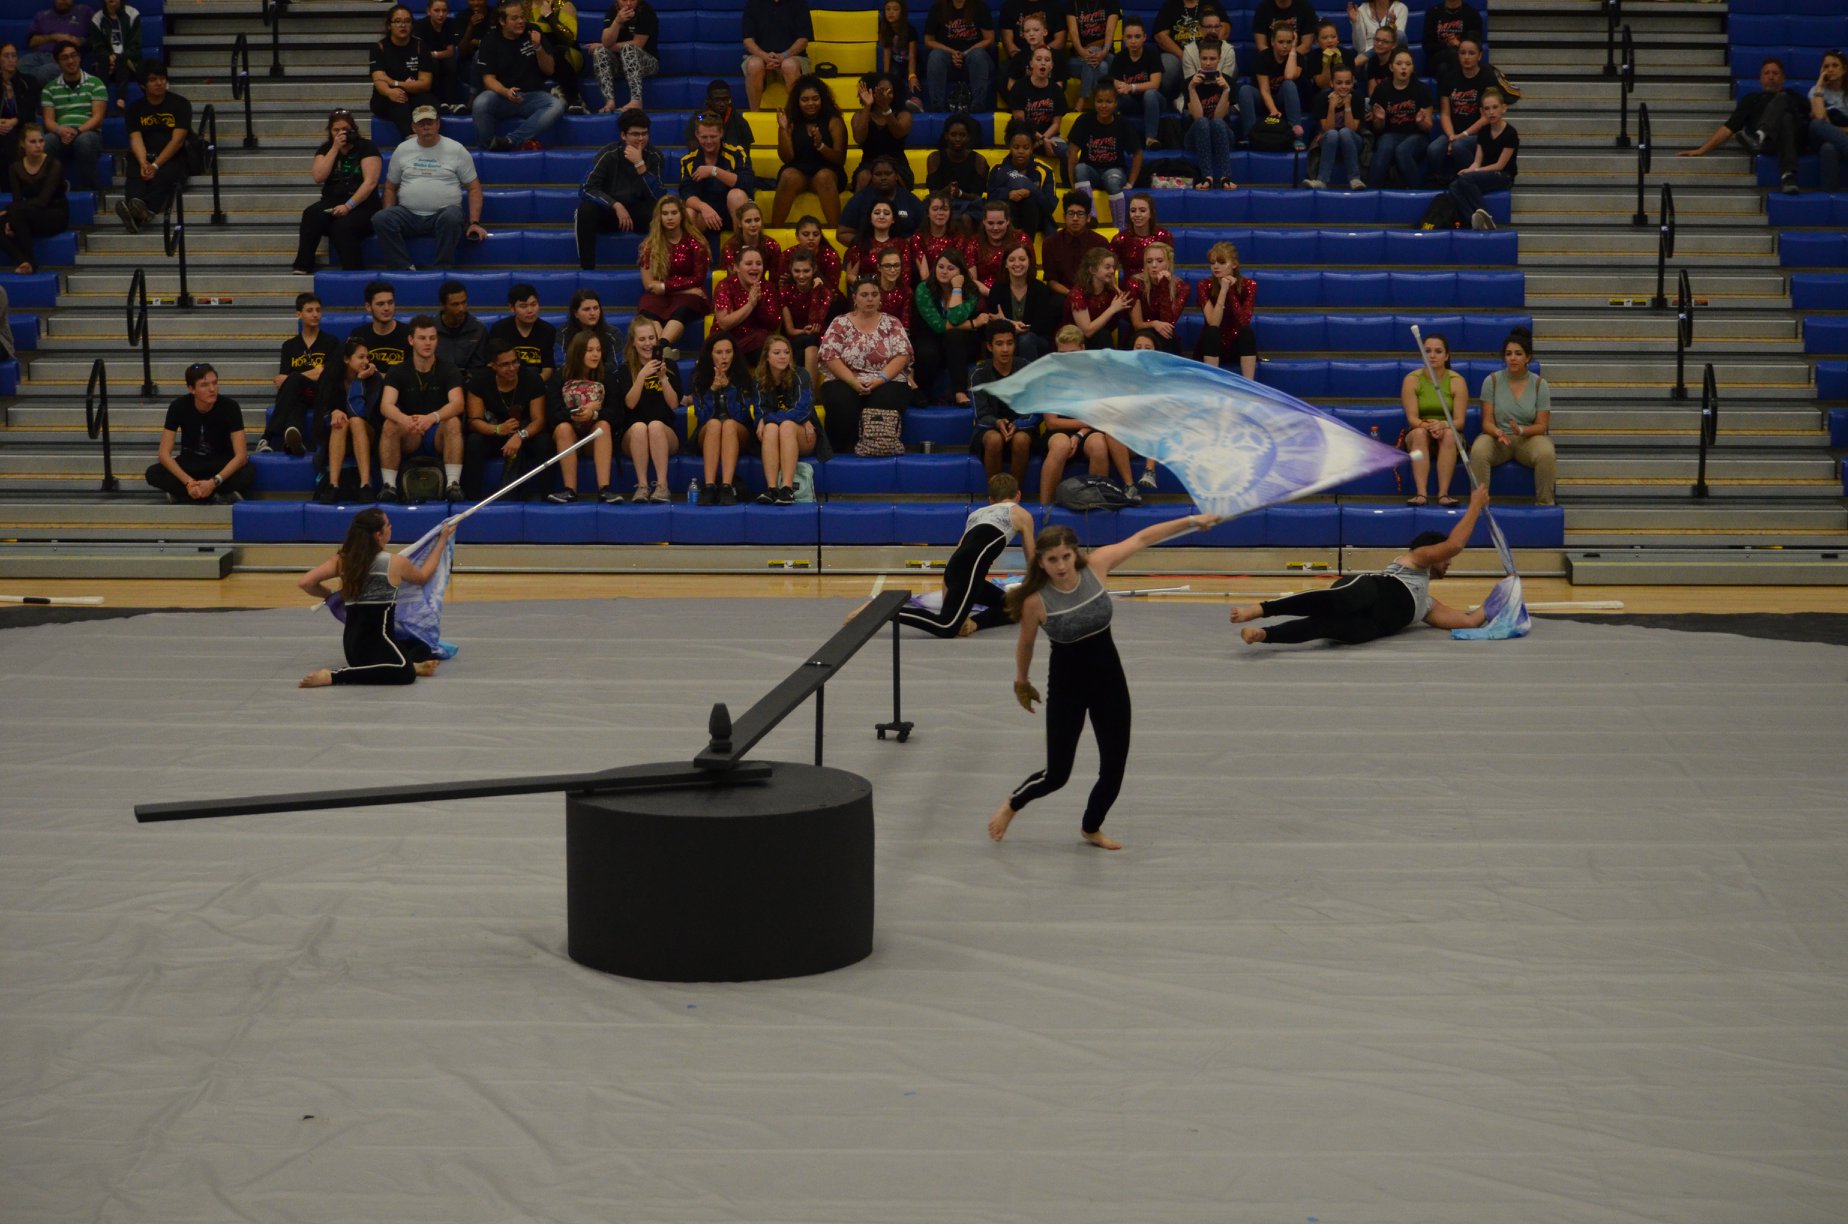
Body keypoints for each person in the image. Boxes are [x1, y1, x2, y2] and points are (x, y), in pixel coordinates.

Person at [990, 511, 1220, 850]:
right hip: (1067, 689)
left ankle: (1091, 827)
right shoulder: (1035, 601)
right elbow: (1026, 644)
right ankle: (1013, 804)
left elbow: (1142, 538)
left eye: (1066, 556)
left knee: (1113, 769)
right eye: (1052, 559)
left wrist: (1191, 522)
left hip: (1110, 684)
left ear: (1075, 553)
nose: (1061, 565)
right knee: (1057, 775)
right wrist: (1021, 681)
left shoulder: (1097, 566)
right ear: (1041, 562)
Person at [1230, 486, 1489, 645]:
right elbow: (1455, 544)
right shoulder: (1415, 560)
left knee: (1324, 626)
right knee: (1339, 601)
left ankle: (1264, 635)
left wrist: (1504, 596)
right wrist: (1476, 505)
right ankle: (1261, 609)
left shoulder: (1428, 606)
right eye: (1445, 557)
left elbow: (1469, 622)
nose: (1449, 562)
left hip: (1372, 626)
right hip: (1368, 590)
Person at [297, 509, 454, 688]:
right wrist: (442, 540)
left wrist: (331, 596)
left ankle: (400, 665)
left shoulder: (343, 560)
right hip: (379, 643)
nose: (391, 527)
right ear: (378, 535)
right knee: (405, 672)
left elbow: (306, 583)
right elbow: (424, 576)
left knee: (422, 648)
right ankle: (333, 676)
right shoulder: (395, 562)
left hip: (352, 647)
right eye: (388, 524)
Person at [373, 105, 487, 270]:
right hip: (408, 215)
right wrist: (388, 211)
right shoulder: (402, 149)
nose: (426, 127)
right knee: (381, 219)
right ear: (413, 127)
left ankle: (443, 268)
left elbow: (474, 188)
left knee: (453, 217)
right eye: (421, 124)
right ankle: (404, 268)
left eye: (430, 122)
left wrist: (474, 222)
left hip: (443, 215)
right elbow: (390, 187)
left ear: (438, 124)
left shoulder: (456, 149)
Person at [1678, 57, 1808, 196]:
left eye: (1775, 73)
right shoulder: (1751, 99)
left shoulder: (1792, 96)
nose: (1771, 77)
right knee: (1785, 117)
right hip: (1768, 144)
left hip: (1793, 141)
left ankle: (1758, 136)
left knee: (1784, 105)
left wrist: (1818, 91)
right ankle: (1788, 176)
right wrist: (1702, 150)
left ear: (1783, 78)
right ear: (1760, 78)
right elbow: (1729, 128)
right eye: (1766, 73)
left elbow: (1816, 114)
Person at [818, 275, 914, 453]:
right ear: (854, 298)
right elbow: (830, 356)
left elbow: (902, 356)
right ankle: (841, 451)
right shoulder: (840, 322)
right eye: (864, 295)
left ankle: (876, 448)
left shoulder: (892, 323)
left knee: (884, 400)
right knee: (841, 400)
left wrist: (879, 380)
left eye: (874, 294)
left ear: (880, 298)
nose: (870, 299)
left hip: (886, 379)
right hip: (846, 379)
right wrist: (853, 382)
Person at [377, 315, 467, 502]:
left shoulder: (449, 369)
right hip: (410, 430)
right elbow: (386, 405)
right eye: (422, 338)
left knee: (453, 421)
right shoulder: (397, 371)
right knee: (390, 424)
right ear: (411, 340)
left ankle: (453, 484)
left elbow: (458, 403)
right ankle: (389, 486)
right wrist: (404, 419)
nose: (428, 343)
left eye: (432, 338)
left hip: (437, 431)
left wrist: (432, 417)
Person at [145, 362, 254, 505]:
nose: (212, 389)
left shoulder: (230, 406)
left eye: (214, 383)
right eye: (204, 385)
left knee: (248, 472)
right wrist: (189, 482)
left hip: (220, 463)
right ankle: (215, 495)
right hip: (191, 463)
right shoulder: (178, 406)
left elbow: (241, 456)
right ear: (192, 389)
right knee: (153, 473)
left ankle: (186, 495)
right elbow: (164, 454)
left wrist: (214, 482)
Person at [1468, 327, 1553, 506]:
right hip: (1498, 438)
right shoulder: (1491, 381)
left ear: (1527, 357)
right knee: (1478, 450)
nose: (1513, 358)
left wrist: (1521, 430)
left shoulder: (1540, 384)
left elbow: (1542, 426)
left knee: (1546, 452)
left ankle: (1545, 504)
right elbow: (1487, 422)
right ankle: (1478, 506)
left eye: (1518, 353)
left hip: (1527, 439)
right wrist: (1497, 432)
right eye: (1508, 354)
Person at [293, 108, 383, 275]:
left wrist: (349, 205)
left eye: (345, 129)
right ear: (330, 131)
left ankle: (354, 271)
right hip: (332, 200)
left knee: (342, 227)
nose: (341, 133)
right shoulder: (326, 149)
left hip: (363, 205)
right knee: (311, 214)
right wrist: (334, 149)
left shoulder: (367, 147)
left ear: (353, 129)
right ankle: (303, 264)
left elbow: (370, 182)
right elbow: (318, 176)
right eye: (336, 130)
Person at [464, 334, 550, 498]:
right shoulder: (479, 381)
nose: (512, 368)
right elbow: (474, 421)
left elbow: (539, 420)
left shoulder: (532, 379)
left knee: (544, 441)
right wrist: (497, 429)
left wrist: (520, 436)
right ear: (492, 365)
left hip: (525, 433)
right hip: (495, 433)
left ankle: (547, 495)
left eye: (514, 362)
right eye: (505, 365)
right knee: (474, 441)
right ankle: (472, 497)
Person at [576, 108, 664, 267]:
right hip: (609, 210)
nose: (641, 139)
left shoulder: (654, 156)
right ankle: (587, 269)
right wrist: (615, 205)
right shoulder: (608, 153)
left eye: (644, 134)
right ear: (623, 135)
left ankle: (656, 269)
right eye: (635, 134)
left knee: (661, 212)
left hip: (638, 211)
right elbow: (587, 188)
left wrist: (640, 165)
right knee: (586, 210)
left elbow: (658, 196)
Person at [472, 1, 563, 151]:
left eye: (522, 17)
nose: (521, 21)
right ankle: (487, 147)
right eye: (514, 18)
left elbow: (549, 70)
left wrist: (538, 47)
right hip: (502, 96)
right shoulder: (490, 40)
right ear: (502, 21)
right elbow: (488, 79)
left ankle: (510, 141)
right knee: (481, 102)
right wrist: (505, 92)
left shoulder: (533, 31)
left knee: (556, 105)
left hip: (532, 95)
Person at [612, 315, 683, 501]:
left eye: (651, 338)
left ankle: (662, 486)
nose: (648, 343)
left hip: (664, 432)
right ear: (633, 343)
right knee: (639, 428)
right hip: (633, 435)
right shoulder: (625, 369)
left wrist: (663, 378)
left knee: (655, 426)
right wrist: (642, 375)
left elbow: (674, 404)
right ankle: (642, 486)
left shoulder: (670, 366)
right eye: (642, 339)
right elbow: (630, 404)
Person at [263, 290, 342, 455]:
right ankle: (292, 440)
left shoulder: (331, 342)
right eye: (310, 310)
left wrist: (295, 377)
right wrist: (310, 373)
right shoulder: (289, 346)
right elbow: (282, 382)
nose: (315, 314)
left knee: (294, 380)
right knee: (296, 403)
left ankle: (267, 436)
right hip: (299, 395)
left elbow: (326, 374)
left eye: (318, 310)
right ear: (299, 314)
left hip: (322, 393)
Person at [544, 330, 619, 502]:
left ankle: (604, 489)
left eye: (598, 350)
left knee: (603, 426)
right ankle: (570, 490)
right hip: (569, 438)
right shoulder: (560, 377)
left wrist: (594, 414)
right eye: (589, 350)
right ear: (578, 352)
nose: (595, 355)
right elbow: (553, 416)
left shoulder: (606, 376)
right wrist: (577, 412)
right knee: (563, 428)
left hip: (593, 439)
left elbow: (616, 414)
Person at [1399, 329, 1468, 507]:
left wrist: (1443, 425)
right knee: (1419, 434)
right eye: (1427, 351)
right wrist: (1428, 426)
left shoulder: (1457, 381)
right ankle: (1421, 494)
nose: (1432, 355)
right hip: (1420, 430)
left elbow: (1460, 422)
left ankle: (1443, 494)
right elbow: (1412, 418)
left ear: (1446, 356)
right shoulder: (1412, 380)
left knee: (1450, 435)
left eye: (1438, 351)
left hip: (1448, 430)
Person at [635, 195, 710, 354]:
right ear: (659, 217)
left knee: (682, 309)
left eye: (674, 213)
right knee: (648, 307)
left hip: (688, 297)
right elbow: (649, 285)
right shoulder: (650, 245)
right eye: (665, 213)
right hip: (664, 294)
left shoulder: (697, 243)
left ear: (682, 215)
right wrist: (683, 289)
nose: (669, 217)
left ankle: (661, 347)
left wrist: (665, 287)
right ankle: (662, 352)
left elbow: (698, 279)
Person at [311, 338, 383, 501]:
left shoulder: (374, 379)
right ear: (346, 359)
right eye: (361, 357)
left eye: (367, 357)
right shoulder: (330, 376)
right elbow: (321, 411)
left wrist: (359, 380)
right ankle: (333, 485)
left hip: (368, 433)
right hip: (338, 434)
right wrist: (333, 413)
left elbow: (359, 412)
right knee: (340, 422)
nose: (366, 361)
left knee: (355, 421)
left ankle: (365, 485)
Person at [771, 74, 847, 226]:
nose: (811, 103)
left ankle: (836, 233)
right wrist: (783, 130)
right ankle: (773, 233)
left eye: (815, 99)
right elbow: (787, 158)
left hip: (829, 170)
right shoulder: (790, 121)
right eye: (805, 100)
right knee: (787, 176)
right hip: (799, 170)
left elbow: (840, 159)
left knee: (824, 177)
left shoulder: (834, 121)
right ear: (797, 102)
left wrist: (821, 146)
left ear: (822, 99)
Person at [969, 323, 1038, 486]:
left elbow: (1034, 410)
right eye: (999, 344)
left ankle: (1014, 493)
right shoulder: (978, 373)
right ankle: (996, 494)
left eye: (1010, 343)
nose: (1005, 349)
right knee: (994, 440)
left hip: (1022, 427)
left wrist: (1018, 424)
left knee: (1021, 440)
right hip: (989, 429)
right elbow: (981, 415)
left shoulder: (1027, 369)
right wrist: (997, 422)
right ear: (990, 347)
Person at [687, 333, 753, 504]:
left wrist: (729, 388)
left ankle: (726, 487)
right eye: (719, 352)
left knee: (729, 424)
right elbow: (702, 416)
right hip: (708, 432)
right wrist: (712, 391)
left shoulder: (743, 377)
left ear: (734, 354)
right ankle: (709, 487)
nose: (724, 357)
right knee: (714, 424)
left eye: (728, 352)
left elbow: (742, 415)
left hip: (738, 432)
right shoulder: (699, 378)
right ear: (710, 355)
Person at [752, 333, 817, 503]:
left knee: (785, 425)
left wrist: (768, 418)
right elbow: (759, 411)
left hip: (804, 435)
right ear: (766, 357)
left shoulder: (801, 374)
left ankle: (787, 489)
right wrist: (765, 420)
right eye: (777, 353)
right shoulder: (759, 379)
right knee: (771, 428)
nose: (783, 356)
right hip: (774, 437)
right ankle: (772, 489)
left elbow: (802, 411)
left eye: (786, 352)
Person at [912, 247, 980, 406]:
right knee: (927, 352)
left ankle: (960, 392)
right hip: (931, 336)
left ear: (961, 272)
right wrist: (973, 323)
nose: (944, 272)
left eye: (950, 268)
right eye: (940, 266)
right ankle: (922, 394)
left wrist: (957, 289)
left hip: (961, 342)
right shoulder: (924, 289)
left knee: (954, 336)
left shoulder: (971, 291)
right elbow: (938, 326)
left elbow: (955, 318)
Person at [1065, 83, 1140, 224]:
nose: (1103, 106)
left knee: (1112, 180)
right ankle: (1091, 217)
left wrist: (1131, 182)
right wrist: (1072, 183)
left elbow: (1138, 153)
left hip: (1114, 170)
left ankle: (1120, 226)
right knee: (1080, 169)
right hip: (1090, 171)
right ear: (1094, 102)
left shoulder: (1122, 124)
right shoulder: (1084, 120)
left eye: (1108, 102)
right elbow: (1072, 151)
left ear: (1115, 103)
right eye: (1099, 101)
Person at [1445, 88, 1515, 230]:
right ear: (1482, 112)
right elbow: (1477, 161)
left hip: (1503, 175)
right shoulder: (1483, 132)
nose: (1491, 112)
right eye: (1487, 109)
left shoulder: (1510, 133)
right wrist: (1469, 170)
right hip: (1486, 173)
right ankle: (1472, 220)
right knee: (1454, 185)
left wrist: (1473, 172)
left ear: (1503, 108)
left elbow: (1500, 165)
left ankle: (1487, 217)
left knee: (1466, 179)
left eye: (1495, 107)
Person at [0, 123, 65, 274]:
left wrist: (10, 212)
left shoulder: (54, 165)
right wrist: (10, 217)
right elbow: (17, 200)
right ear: (23, 144)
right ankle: (23, 261)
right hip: (28, 213)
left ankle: (30, 261)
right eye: (33, 141)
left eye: (41, 141)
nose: (38, 145)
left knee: (16, 213)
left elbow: (43, 201)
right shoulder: (15, 168)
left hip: (54, 213)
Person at [38, 42, 101, 192]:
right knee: (46, 142)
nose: (71, 61)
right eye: (65, 57)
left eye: (74, 56)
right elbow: (48, 121)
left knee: (83, 141)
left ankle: (91, 190)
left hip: (88, 133)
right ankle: (51, 189)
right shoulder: (49, 88)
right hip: (61, 134)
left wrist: (78, 131)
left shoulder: (95, 83)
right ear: (58, 62)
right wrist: (60, 130)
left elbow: (98, 118)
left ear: (80, 58)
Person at [678, 112, 754, 237]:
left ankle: (741, 244)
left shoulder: (737, 153)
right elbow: (686, 195)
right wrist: (703, 207)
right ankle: (693, 249)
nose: (709, 141)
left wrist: (714, 171)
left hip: (732, 212)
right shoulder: (688, 160)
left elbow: (747, 183)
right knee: (689, 212)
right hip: (706, 215)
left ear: (721, 133)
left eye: (713, 136)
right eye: (704, 137)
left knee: (736, 195)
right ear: (697, 135)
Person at [1427, 36, 1491, 182]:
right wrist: (1451, 137)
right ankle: (1440, 181)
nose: (1466, 57)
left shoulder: (1487, 76)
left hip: (1479, 133)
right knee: (1433, 150)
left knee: (1458, 146)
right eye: (1462, 53)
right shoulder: (1448, 77)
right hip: (1453, 132)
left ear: (1480, 56)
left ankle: (1471, 179)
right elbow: (1445, 114)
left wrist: (1462, 135)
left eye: (1471, 53)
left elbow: (1487, 117)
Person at [1366, 46, 1431, 188]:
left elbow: (1428, 127)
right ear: (1391, 67)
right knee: (1384, 149)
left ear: (1412, 68)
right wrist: (1380, 119)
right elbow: (1377, 129)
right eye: (1399, 64)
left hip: (1416, 135)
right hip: (1390, 134)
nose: (1404, 68)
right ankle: (1371, 192)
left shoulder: (1422, 89)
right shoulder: (1381, 90)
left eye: (1408, 64)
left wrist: (1420, 122)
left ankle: (1418, 192)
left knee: (1402, 150)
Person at [369, 5, 432, 141]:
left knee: (430, 104)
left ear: (412, 25)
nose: (403, 25)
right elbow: (379, 80)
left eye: (407, 21)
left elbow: (425, 84)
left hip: (413, 93)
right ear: (389, 26)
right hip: (385, 97)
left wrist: (394, 83)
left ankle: (432, 141)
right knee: (399, 102)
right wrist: (389, 91)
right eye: (397, 21)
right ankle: (411, 139)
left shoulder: (421, 46)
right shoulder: (379, 47)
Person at [1194, 239, 1255, 378]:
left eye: (1221, 262)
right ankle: (1212, 383)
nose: (1215, 266)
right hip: (1212, 344)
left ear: (1234, 264)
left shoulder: (1249, 285)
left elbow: (1243, 320)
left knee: (1247, 331)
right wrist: (1223, 291)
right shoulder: (1204, 285)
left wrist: (1231, 291)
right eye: (1212, 263)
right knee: (1212, 332)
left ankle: (1249, 384)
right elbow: (1213, 322)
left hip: (1237, 344)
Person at [1241, 22, 1307, 150]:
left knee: (1289, 84)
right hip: (1265, 99)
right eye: (1281, 42)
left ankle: (1297, 137)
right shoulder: (1263, 57)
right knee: (1245, 90)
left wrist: (1293, 49)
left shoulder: (1297, 58)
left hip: (1285, 100)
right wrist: (1273, 110)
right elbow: (1264, 90)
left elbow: (1289, 75)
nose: (1285, 46)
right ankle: (1249, 136)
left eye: (1289, 42)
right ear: (1272, 42)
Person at [984, 239, 1053, 361]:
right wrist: (1012, 325)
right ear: (1005, 264)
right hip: (1006, 339)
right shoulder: (997, 289)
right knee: (1004, 341)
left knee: (1025, 339)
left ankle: (1029, 374)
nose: (1017, 264)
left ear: (1029, 262)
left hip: (1035, 340)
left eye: (1022, 259)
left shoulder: (1040, 289)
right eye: (1011, 260)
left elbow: (1040, 326)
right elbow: (993, 322)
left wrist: (1009, 323)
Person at [923, 0, 996, 115]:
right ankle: (937, 107)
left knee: (978, 54)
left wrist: (965, 53)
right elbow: (928, 41)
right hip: (948, 60)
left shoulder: (980, 7)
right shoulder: (938, 8)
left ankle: (978, 105)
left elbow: (989, 39)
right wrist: (952, 52)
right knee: (935, 56)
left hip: (975, 60)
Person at [1184, 38, 1237, 191]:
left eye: (1212, 59)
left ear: (1219, 59)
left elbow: (1219, 117)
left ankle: (1226, 177)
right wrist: (1192, 89)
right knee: (1202, 122)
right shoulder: (1189, 82)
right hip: (1196, 135)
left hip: (1221, 133)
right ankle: (1206, 177)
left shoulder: (1228, 81)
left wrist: (1226, 90)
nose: (1208, 63)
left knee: (1216, 122)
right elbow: (1198, 116)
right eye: (1204, 58)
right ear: (1199, 59)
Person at [741, 0, 813, 110]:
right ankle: (754, 114)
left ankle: (796, 115)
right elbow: (747, 40)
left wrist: (784, 56)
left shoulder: (799, 3)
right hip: (761, 57)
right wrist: (765, 56)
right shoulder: (753, 3)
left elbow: (803, 40)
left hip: (793, 57)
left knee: (789, 65)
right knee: (754, 65)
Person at [986, 123, 1057, 236]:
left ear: (1032, 148)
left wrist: (1030, 192)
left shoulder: (1045, 170)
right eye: (1016, 147)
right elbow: (990, 199)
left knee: (1029, 203)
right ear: (1010, 147)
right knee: (1009, 204)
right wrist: (1008, 194)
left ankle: (1026, 243)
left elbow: (1050, 205)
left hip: (1036, 218)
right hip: (1004, 218)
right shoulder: (997, 169)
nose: (1020, 151)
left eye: (1026, 147)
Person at [712, 246, 779, 363]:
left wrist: (759, 304)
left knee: (767, 343)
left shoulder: (768, 287)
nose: (754, 268)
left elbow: (773, 325)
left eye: (758, 264)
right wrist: (750, 304)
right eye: (748, 264)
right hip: (726, 342)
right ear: (736, 267)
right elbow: (724, 324)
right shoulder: (725, 286)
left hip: (756, 343)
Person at [838, 154, 921, 247]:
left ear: (897, 176)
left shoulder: (911, 200)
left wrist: (901, 246)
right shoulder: (859, 199)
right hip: (867, 252)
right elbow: (842, 233)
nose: (883, 178)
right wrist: (868, 246)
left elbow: (924, 233)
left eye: (888, 173)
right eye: (878, 174)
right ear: (872, 177)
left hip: (903, 252)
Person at [589, 0, 657, 112]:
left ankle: (636, 101)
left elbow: (638, 44)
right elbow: (606, 41)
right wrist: (617, 22)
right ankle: (609, 102)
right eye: (624, 0)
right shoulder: (613, 10)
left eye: (632, 0)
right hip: (619, 63)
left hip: (647, 62)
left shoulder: (645, 11)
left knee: (628, 49)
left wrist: (604, 45)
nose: (628, 3)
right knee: (599, 52)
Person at [1304, 62, 1364, 189]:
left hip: (1352, 140)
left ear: (1353, 82)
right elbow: (1327, 129)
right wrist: (1331, 106)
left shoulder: (1357, 98)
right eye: (1339, 83)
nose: (1343, 86)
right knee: (1333, 134)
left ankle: (1355, 179)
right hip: (1328, 140)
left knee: (1345, 132)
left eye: (1348, 83)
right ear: (1332, 83)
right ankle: (1321, 181)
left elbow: (1352, 129)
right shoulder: (1322, 98)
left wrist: (1347, 105)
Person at [778, 246, 835, 379]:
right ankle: (807, 390)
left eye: (806, 271)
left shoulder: (823, 292)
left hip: (819, 337)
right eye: (797, 271)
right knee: (808, 340)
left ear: (814, 269)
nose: (801, 276)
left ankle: (805, 390)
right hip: (795, 337)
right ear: (791, 269)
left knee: (805, 348)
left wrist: (816, 291)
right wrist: (804, 331)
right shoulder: (785, 293)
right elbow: (790, 330)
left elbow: (816, 322)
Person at [924, 113, 989, 228]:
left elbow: (976, 197)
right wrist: (946, 191)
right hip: (941, 202)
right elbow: (933, 193)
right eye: (953, 135)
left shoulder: (979, 160)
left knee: (965, 218)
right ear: (946, 136)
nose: (957, 139)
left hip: (970, 205)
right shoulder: (935, 158)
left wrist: (959, 194)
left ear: (969, 137)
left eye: (962, 135)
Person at [851, 72, 913, 191]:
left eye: (889, 91)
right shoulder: (860, 115)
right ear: (871, 92)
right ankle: (861, 204)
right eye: (880, 90)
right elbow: (859, 138)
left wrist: (886, 108)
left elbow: (898, 133)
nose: (884, 94)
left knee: (893, 177)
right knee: (864, 177)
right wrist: (867, 106)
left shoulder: (903, 115)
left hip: (897, 163)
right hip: (869, 163)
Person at [1110, 18, 1166, 149]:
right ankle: (1112, 137)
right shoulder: (1119, 57)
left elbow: (1155, 84)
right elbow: (1114, 80)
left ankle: (1151, 139)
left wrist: (1131, 87)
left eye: (1137, 36)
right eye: (1129, 37)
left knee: (1150, 94)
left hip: (1155, 101)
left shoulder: (1152, 54)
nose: (1133, 41)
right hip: (1132, 102)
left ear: (1144, 37)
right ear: (1123, 39)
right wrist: (1120, 85)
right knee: (1114, 97)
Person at [1007, 45, 1066, 168]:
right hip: (1023, 134)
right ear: (1031, 64)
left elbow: (1056, 124)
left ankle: (1067, 181)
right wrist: (1041, 140)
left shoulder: (1057, 90)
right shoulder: (1019, 87)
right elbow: (1021, 122)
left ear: (1051, 66)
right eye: (1038, 59)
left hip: (1049, 136)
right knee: (1023, 147)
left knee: (1066, 150)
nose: (1043, 63)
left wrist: (1044, 139)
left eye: (1047, 60)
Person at [522, 0, 584, 113]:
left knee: (558, 52)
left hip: (567, 55)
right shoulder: (523, 6)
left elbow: (569, 39)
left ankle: (574, 100)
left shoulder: (563, 5)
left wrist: (549, 16)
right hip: (538, 55)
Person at [1041, 191, 1105, 299]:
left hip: (1093, 294)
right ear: (1064, 217)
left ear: (1088, 217)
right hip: (1063, 295)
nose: (1075, 218)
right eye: (1071, 213)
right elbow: (1051, 281)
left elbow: (1104, 277)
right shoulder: (1050, 243)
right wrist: (1070, 294)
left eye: (1080, 214)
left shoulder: (1100, 242)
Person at [487, 281, 558, 378]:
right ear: (512, 308)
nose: (530, 311)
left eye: (533, 304)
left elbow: (548, 368)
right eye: (523, 306)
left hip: (537, 381)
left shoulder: (548, 330)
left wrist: (535, 384)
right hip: (506, 379)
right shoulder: (499, 329)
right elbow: (492, 364)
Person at [1129, 241, 1187, 358]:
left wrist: (1164, 286)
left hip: (1165, 334)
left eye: (1159, 261)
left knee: (1166, 334)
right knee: (1145, 339)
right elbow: (1137, 324)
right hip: (1142, 332)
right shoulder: (1135, 283)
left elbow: (1168, 321)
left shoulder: (1181, 286)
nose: (1154, 265)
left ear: (1169, 263)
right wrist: (1154, 324)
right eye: (1149, 261)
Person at [1065, 246, 1131, 349]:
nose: (1112, 271)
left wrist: (1117, 289)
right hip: (1075, 341)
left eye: (1113, 267)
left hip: (1101, 337)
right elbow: (1087, 332)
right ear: (1092, 270)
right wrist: (1112, 309)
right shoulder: (1077, 294)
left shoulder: (1110, 291)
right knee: (1102, 335)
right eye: (1107, 267)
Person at [965, 198, 1028, 300]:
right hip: (983, 295)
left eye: (1000, 223)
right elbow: (971, 280)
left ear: (1007, 221)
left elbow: (1029, 273)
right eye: (990, 223)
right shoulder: (974, 242)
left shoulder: (1021, 239)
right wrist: (991, 294)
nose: (995, 228)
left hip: (1015, 294)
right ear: (984, 221)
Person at [19, 0, 91, 88]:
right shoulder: (42, 16)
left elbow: (97, 38)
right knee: (20, 66)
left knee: (45, 73)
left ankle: (27, 85)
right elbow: (31, 42)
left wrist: (80, 41)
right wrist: (54, 37)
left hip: (64, 58)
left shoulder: (84, 12)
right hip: (40, 55)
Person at [557, 286, 622, 380]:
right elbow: (560, 364)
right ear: (575, 313)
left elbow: (615, 366)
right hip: (571, 380)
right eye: (587, 309)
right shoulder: (563, 333)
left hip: (603, 380)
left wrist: (591, 374)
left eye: (596, 308)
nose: (593, 313)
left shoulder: (613, 334)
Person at [86, 0, 139, 112]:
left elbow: (135, 46)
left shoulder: (133, 14)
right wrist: (109, 57)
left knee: (121, 59)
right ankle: (100, 104)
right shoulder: (97, 18)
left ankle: (121, 100)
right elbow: (98, 47)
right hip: (106, 63)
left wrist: (118, 57)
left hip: (128, 62)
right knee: (103, 60)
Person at [413, 0, 463, 114]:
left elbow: (450, 52)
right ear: (428, 11)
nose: (441, 14)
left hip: (444, 59)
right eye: (437, 10)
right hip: (426, 61)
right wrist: (436, 54)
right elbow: (421, 53)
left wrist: (434, 54)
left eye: (444, 11)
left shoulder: (450, 24)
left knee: (451, 63)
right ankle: (437, 101)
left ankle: (451, 102)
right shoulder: (420, 25)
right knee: (433, 64)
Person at [349, 279, 411, 371]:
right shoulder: (358, 335)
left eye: (390, 303)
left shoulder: (409, 334)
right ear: (368, 307)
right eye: (380, 304)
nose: (387, 308)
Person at [0, 44, 44, 170]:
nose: (10, 59)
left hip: (22, 125)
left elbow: (29, 110)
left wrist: (13, 121)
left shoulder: (29, 81)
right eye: (6, 56)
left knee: (11, 137)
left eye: (13, 56)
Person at [1065, 0, 1118, 101]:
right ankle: (1100, 103)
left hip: (1106, 55)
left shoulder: (1111, 2)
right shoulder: (1072, 3)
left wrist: (1104, 51)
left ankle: (1083, 98)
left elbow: (1110, 30)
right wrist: (1082, 52)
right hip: (1078, 58)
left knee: (1104, 62)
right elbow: (1073, 31)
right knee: (1102, 67)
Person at [777, 213, 842, 292]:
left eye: (815, 234)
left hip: (825, 297)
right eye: (806, 234)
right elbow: (783, 286)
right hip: (793, 296)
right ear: (797, 236)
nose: (811, 238)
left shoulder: (831, 257)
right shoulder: (787, 255)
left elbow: (832, 290)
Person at [683, 78, 754, 152]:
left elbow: (746, 154)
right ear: (709, 100)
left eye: (725, 99)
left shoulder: (740, 122)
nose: (722, 104)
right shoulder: (697, 119)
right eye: (717, 100)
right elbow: (693, 150)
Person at [1812, 50, 1848, 193]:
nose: (1830, 69)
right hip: (1820, 137)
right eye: (1826, 66)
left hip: (1835, 141)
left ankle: (1829, 196)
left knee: (1829, 148)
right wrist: (1819, 85)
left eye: (1835, 65)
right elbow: (1820, 118)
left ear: (1844, 69)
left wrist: (1835, 131)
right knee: (1815, 124)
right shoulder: (1816, 90)